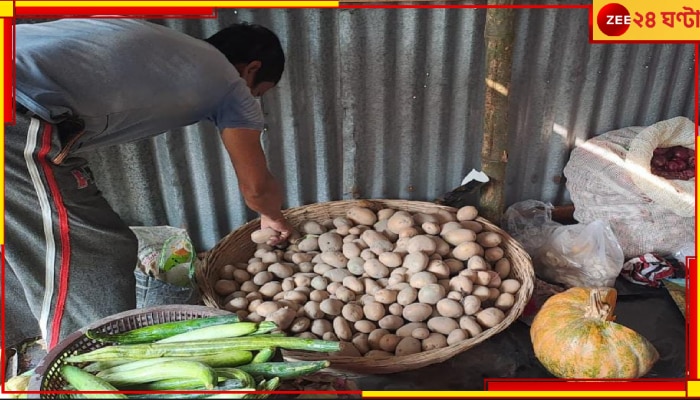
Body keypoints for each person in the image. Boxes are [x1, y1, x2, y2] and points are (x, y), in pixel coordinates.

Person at [4, 18, 294, 356]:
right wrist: (273, 217)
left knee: (19, 238)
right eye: (258, 92)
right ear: (251, 69)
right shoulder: (230, 84)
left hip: (17, 92)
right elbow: (256, 187)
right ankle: (85, 365)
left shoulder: (172, 49)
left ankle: (20, 340)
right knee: (97, 249)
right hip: (14, 107)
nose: (252, 99)